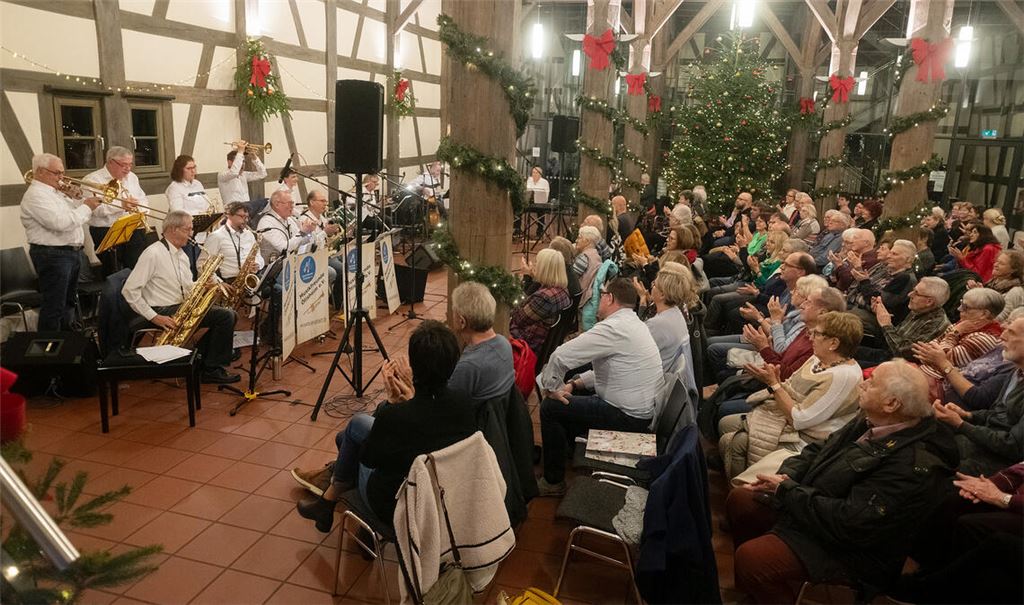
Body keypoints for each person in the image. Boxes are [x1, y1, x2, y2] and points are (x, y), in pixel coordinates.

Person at [727, 359, 959, 604]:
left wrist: (788, 491)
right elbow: (820, 449)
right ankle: (756, 593)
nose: (863, 383)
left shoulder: (912, 464)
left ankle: (766, 586)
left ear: (891, 404)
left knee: (753, 560)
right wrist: (789, 476)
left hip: (855, 548)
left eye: (872, 382)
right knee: (742, 500)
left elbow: (852, 522)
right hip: (816, 504)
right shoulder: (872, 418)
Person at [296, 320, 478, 530]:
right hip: (443, 496)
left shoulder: (396, 416)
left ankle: (330, 500)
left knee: (353, 438)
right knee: (354, 430)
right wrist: (410, 396)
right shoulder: (464, 402)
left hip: (395, 506)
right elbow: (427, 417)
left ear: (414, 364)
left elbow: (369, 459)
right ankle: (328, 498)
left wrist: (390, 404)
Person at [537, 278, 665, 496]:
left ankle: (553, 482)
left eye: (601, 294)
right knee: (571, 390)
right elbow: (613, 371)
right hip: (640, 411)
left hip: (628, 417)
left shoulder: (614, 328)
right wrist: (573, 383)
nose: (598, 299)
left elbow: (560, 356)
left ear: (609, 298)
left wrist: (550, 388)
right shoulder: (633, 323)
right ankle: (566, 451)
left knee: (550, 407)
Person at [719, 312, 864, 480]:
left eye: (817, 334)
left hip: (807, 439)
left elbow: (800, 420)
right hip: (785, 417)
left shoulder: (843, 376)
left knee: (736, 441)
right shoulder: (819, 358)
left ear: (833, 343)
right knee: (725, 423)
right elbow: (789, 383)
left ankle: (744, 494)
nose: (810, 337)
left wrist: (773, 384)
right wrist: (772, 380)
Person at [121, 210, 239, 384]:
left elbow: (184, 285)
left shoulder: (181, 254)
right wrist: (155, 317)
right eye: (188, 229)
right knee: (225, 317)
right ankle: (210, 367)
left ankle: (202, 360)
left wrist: (202, 287)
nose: (191, 234)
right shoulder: (152, 253)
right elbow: (129, 291)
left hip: (179, 305)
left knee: (228, 314)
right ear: (173, 229)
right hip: (162, 310)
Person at [931, 316, 1024, 475]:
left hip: (998, 460)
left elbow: (1012, 446)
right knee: (925, 435)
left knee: (932, 473)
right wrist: (967, 415)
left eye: (1012, 333)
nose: (1002, 336)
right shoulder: (1017, 372)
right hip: (984, 441)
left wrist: (961, 424)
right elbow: (996, 413)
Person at [20, 153, 101, 331]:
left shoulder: (56, 193)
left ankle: (66, 346)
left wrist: (77, 199)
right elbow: (60, 223)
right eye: (57, 173)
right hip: (52, 254)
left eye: (63, 172)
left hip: (70, 253)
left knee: (68, 304)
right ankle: (49, 351)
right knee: (54, 306)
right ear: (40, 172)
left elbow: (75, 217)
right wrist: (86, 205)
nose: (62, 177)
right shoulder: (36, 195)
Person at [912, 287, 1004, 381]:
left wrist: (954, 333)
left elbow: (942, 360)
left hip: (940, 383)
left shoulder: (984, 338)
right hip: (926, 373)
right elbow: (924, 352)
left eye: (965, 307)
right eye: (961, 304)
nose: (959, 309)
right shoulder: (962, 325)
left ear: (984, 314)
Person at [85, 146, 149, 275]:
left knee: (137, 270)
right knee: (113, 273)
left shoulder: (132, 177)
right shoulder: (92, 180)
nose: (128, 169)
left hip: (133, 229)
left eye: (130, 164)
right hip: (106, 231)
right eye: (123, 165)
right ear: (110, 162)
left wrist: (141, 210)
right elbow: (96, 209)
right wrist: (121, 205)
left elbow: (143, 199)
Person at [863, 276, 951, 362]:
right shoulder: (919, 309)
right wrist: (880, 314)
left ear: (929, 302)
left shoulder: (935, 324)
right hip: (886, 353)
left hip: (898, 364)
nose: (909, 294)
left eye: (916, 293)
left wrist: (886, 325)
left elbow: (903, 353)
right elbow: (895, 339)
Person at [641, 262, 697, 393]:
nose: (652, 286)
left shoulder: (658, 324)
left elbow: (631, 357)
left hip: (649, 389)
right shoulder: (676, 313)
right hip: (659, 383)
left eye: (655, 285)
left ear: (662, 295)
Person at [848, 239, 918, 335]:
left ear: (908, 259)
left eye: (894, 254)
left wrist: (864, 281)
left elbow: (879, 303)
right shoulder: (891, 271)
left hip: (879, 322)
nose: (889, 256)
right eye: (890, 253)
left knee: (841, 317)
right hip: (862, 309)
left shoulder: (904, 278)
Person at [511, 249, 572, 354]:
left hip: (529, 344)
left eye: (536, 263)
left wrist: (526, 278)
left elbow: (517, 318)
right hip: (544, 341)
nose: (534, 265)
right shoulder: (562, 290)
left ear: (544, 269)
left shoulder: (544, 298)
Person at [299, 190, 345, 305]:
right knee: (342, 269)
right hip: (313, 257)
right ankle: (335, 301)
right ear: (312, 202)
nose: (325, 203)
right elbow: (309, 243)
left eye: (326, 201)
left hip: (326, 254)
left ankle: (335, 297)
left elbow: (325, 239)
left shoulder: (322, 218)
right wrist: (325, 232)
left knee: (349, 263)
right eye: (322, 201)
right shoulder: (304, 220)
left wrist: (336, 235)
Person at [200, 202, 264, 284]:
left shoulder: (249, 234)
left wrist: (258, 264)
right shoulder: (216, 237)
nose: (246, 220)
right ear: (228, 215)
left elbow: (259, 256)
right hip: (230, 283)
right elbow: (202, 265)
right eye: (242, 216)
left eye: (247, 217)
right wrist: (219, 283)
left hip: (250, 279)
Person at [256, 189, 317, 264]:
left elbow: (300, 243)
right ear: (277, 204)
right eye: (289, 203)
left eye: (293, 203)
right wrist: (302, 232)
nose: (292, 206)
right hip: (274, 268)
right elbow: (284, 248)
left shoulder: (289, 220)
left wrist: (309, 232)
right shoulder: (266, 222)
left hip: (290, 263)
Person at [966, 250, 1024, 322]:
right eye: (997, 261)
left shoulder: (1015, 291)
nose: (995, 265)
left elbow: (1000, 318)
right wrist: (978, 292)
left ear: (1013, 270)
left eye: (1001, 264)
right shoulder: (993, 282)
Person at [571, 225, 604, 307]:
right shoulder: (596, 255)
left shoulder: (584, 258)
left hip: (580, 298)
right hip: (589, 297)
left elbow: (570, 280)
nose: (576, 240)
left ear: (587, 241)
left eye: (579, 238)